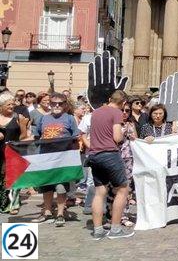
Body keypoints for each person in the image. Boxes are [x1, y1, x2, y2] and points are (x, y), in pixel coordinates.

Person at [87, 90, 134, 239]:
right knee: (123, 190)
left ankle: (98, 230)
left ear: (109, 99)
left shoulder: (96, 112)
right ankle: (115, 229)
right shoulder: (116, 113)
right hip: (109, 154)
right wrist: (124, 132)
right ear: (123, 103)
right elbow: (117, 137)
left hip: (94, 154)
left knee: (99, 192)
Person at [31, 93, 79, 227]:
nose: (57, 105)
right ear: (49, 104)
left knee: (61, 188)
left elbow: (76, 137)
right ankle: (47, 212)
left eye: (60, 103)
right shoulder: (43, 118)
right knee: (47, 187)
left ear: (65, 105)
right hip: (47, 160)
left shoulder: (69, 119)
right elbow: (36, 137)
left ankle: (60, 214)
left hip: (63, 161)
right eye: (53, 103)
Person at [0, 91, 30, 215]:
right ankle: (3, 204)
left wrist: (23, 126)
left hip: (14, 152)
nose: (11, 106)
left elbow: (23, 136)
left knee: (13, 178)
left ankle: (14, 205)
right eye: (8, 104)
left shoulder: (18, 117)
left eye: (12, 104)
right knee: (2, 179)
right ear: (1, 106)